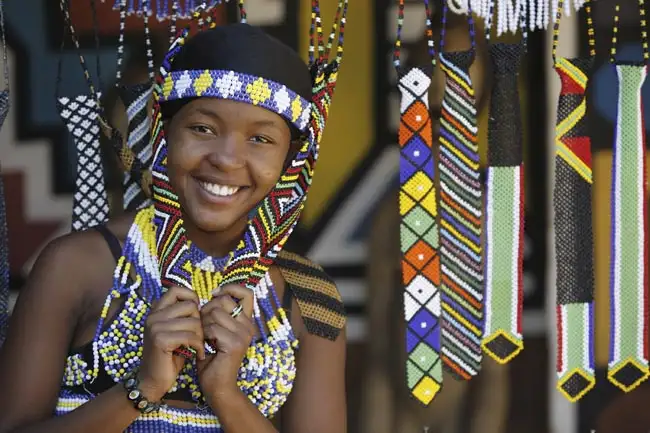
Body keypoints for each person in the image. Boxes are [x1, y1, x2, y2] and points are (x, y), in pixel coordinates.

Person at [0, 23, 347, 433]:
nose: (227, 159)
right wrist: (142, 388)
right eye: (203, 129)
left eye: (260, 139)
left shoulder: (309, 299)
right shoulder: (78, 266)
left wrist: (225, 394)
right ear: (164, 135)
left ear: (292, 161)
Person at [360, 8, 509, 433]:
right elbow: (376, 346)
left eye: (467, 65)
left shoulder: (491, 207)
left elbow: (496, 367)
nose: (456, 78)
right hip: (401, 384)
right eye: (446, 64)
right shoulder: (399, 204)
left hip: (462, 395)